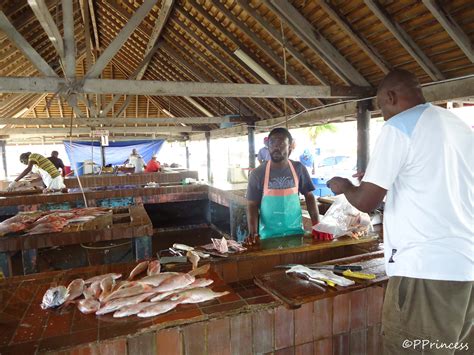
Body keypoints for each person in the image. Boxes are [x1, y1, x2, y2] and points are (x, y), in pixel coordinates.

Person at [326, 70, 473, 354]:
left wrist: (345, 186)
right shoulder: (457, 125)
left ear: (391, 97)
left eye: (382, 107)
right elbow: (437, 189)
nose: (383, 115)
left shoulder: (400, 125)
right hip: (466, 269)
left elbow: (366, 202)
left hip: (425, 271)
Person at [245, 127, 322, 244]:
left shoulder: (298, 168)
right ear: (268, 146)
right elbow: (252, 205)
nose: (276, 146)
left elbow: (309, 196)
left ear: (290, 146)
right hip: (267, 236)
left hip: (296, 233)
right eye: (272, 143)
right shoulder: (258, 173)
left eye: (281, 143)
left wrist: (317, 225)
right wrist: (253, 233)